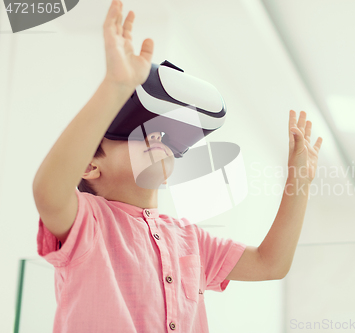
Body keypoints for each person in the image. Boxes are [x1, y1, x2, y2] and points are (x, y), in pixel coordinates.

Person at [31, 0, 323, 332]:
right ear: (90, 166)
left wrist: (299, 179)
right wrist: (115, 88)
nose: (160, 141)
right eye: (143, 134)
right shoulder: (88, 223)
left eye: (165, 136)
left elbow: (270, 263)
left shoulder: (191, 240)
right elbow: (49, 191)